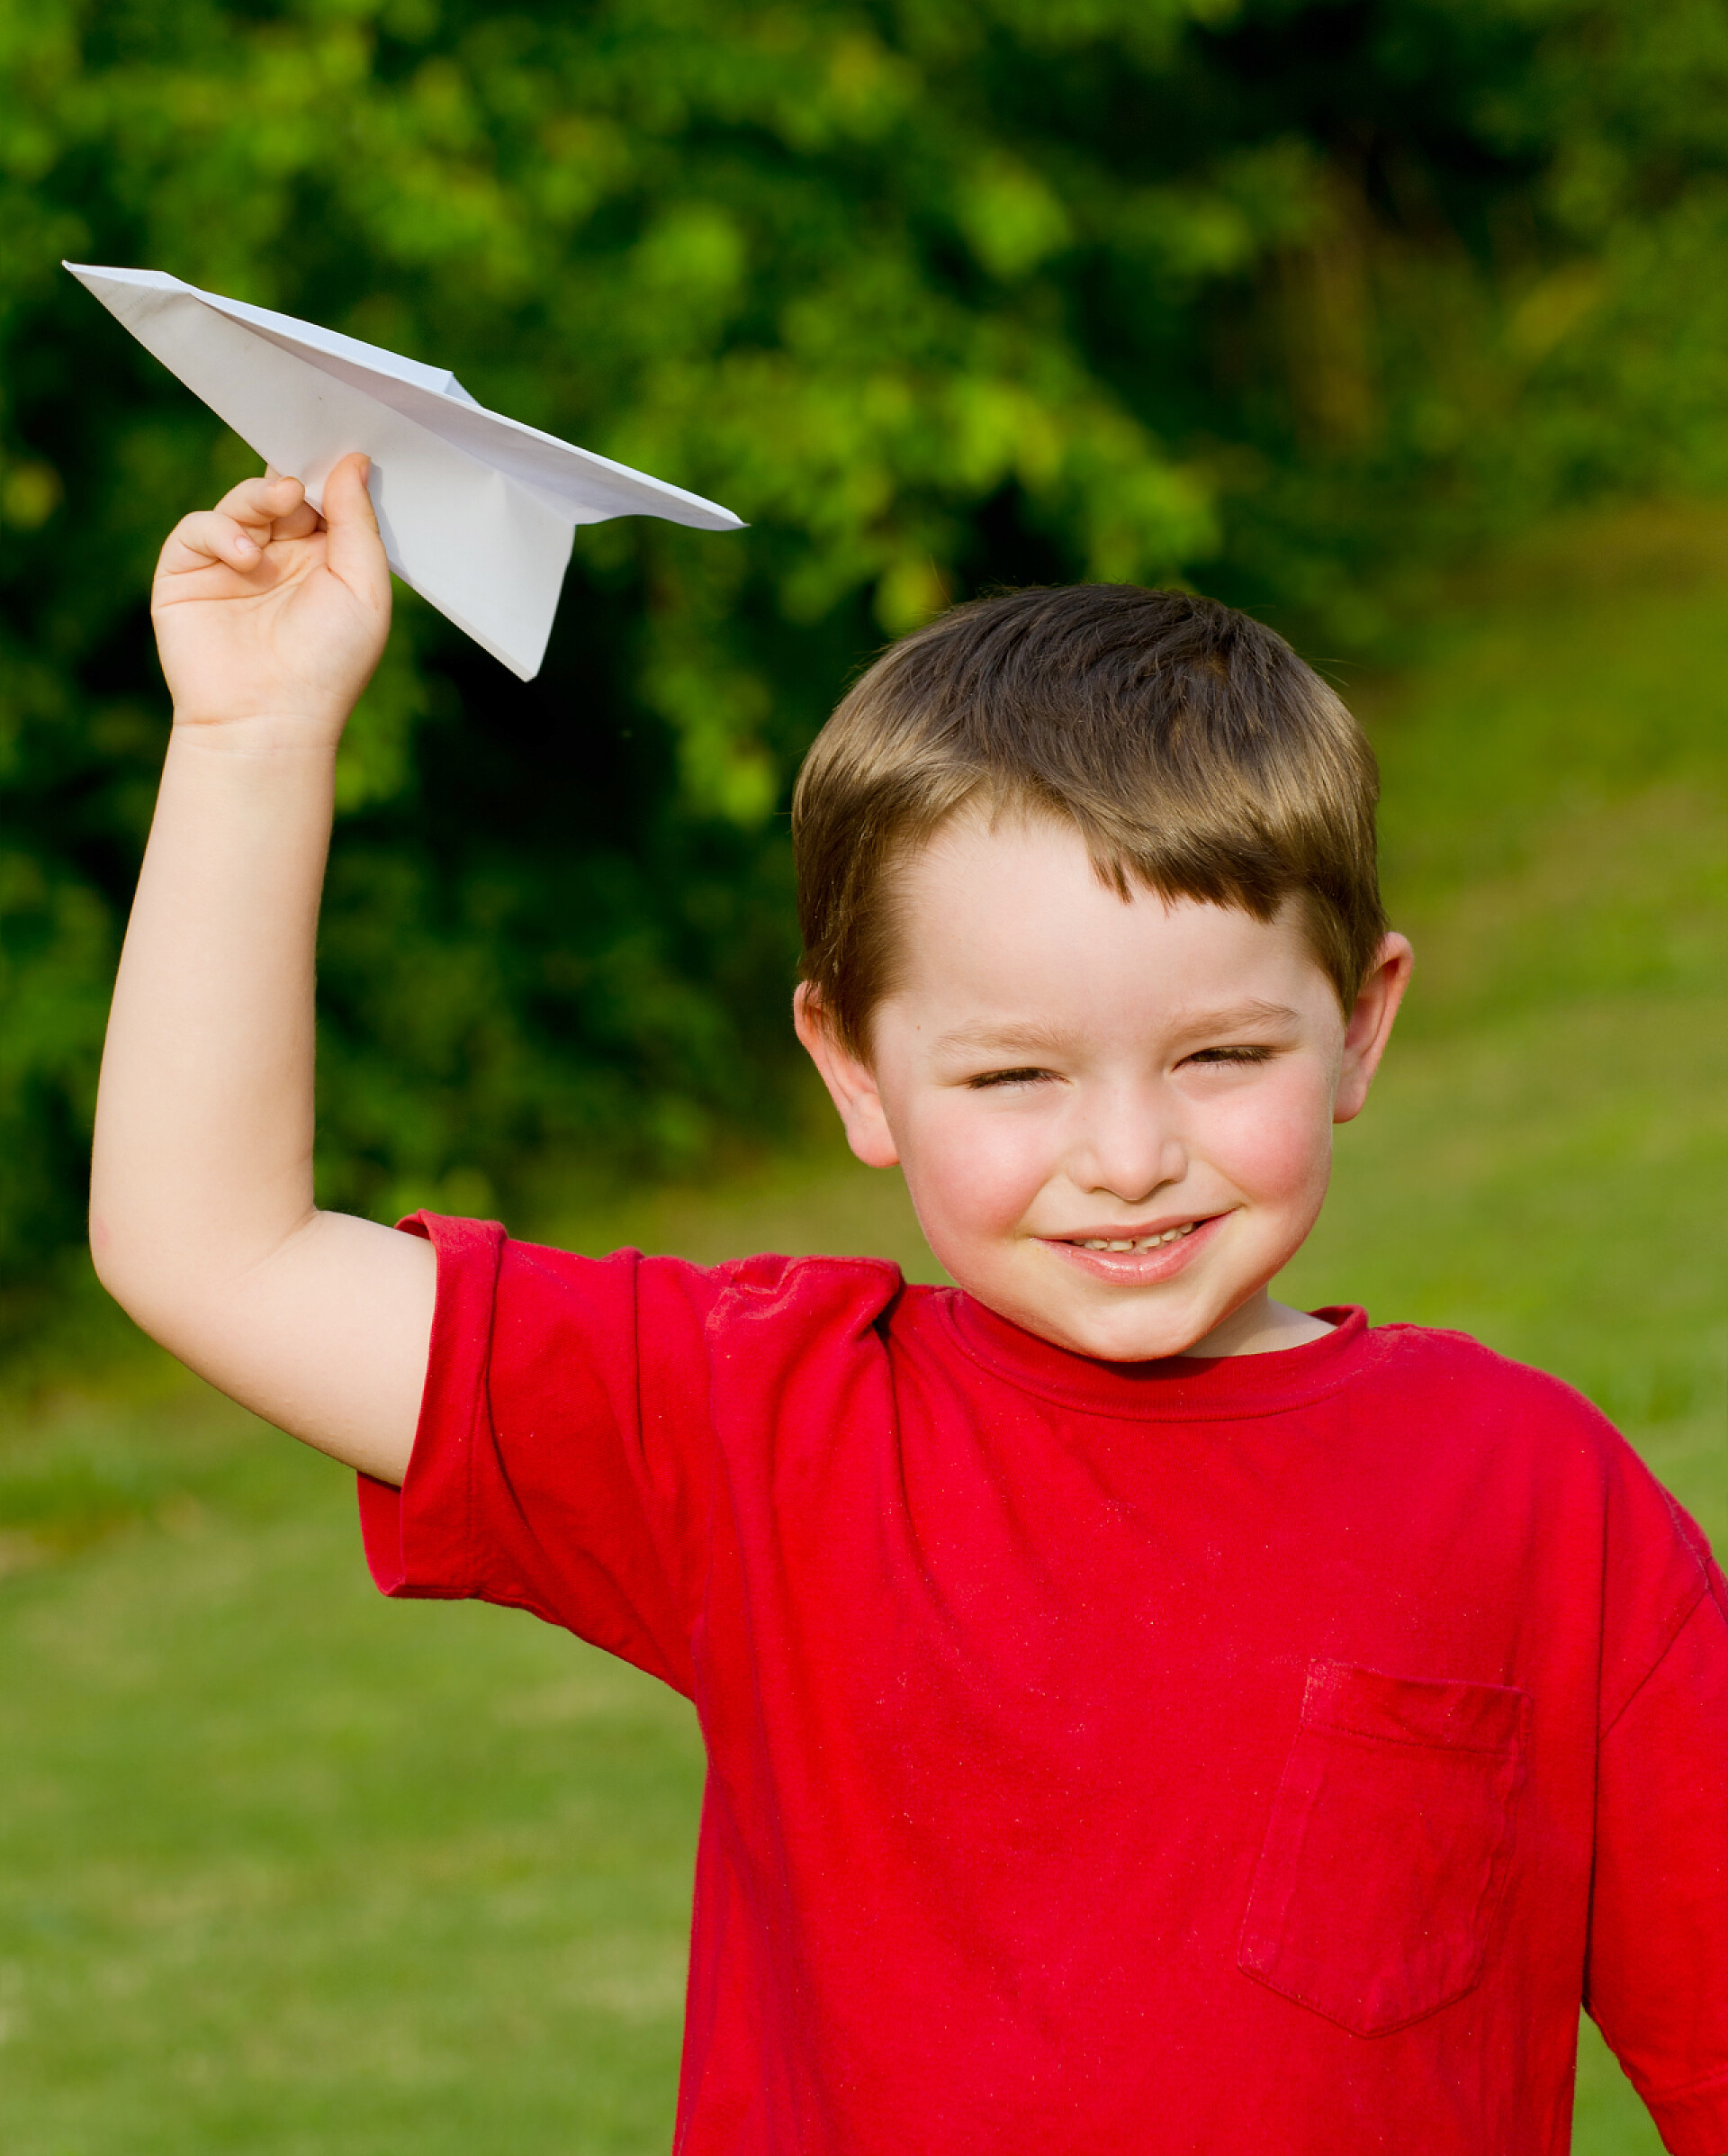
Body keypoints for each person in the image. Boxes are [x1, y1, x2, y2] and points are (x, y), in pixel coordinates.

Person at [90, 458, 1728, 2156]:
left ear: (1362, 1028)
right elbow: (212, 1249)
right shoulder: (758, 1426)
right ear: (855, 1073)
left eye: (1220, 1057)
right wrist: (250, 742)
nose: (1125, 1155)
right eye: (1013, 1073)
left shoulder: (1540, 1502)